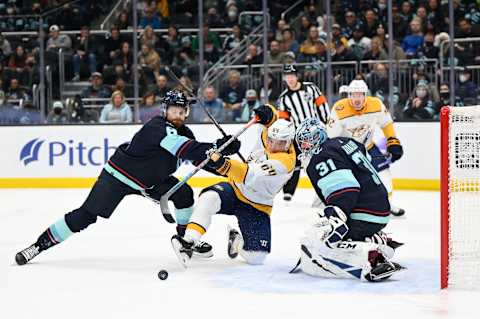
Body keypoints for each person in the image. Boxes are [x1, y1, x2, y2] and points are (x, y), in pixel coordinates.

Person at [15, 90, 241, 266]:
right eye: (175, 110)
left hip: (149, 182)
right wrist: (215, 147)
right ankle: (38, 245)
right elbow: (187, 149)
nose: (179, 115)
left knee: (183, 193)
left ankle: (186, 241)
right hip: (118, 177)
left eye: (183, 112)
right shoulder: (158, 127)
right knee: (85, 217)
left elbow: (200, 159)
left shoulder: (185, 133)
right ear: (165, 110)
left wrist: (227, 160)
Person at [171, 104, 296, 267]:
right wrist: (266, 112)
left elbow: (248, 174)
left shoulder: (284, 162)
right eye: (271, 140)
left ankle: (236, 241)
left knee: (257, 257)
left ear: (288, 143)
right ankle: (189, 241)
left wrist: (223, 163)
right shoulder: (270, 136)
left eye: (279, 143)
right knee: (209, 197)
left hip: (258, 206)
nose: (272, 145)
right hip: (234, 190)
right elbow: (271, 118)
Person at [291, 117, 404, 282]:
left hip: (366, 212)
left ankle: (371, 258)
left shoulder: (321, 156)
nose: (304, 146)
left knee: (320, 235)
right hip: (379, 205)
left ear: (319, 137)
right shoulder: (343, 141)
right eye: (302, 142)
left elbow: (346, 190)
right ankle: (375, 238)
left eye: (308, 141)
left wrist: (338, 218)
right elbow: (364, 157)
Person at [328, 79, 405, 217]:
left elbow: (386, 123)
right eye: (353, 95)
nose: (357, 99)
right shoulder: (339, 109)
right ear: (349, 95)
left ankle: (386, 205)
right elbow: (331, 137)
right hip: (348, 151)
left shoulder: (376, 104)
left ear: (365, 95)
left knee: (384, 175)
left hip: (368, 147)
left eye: (360, 95)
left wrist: (392, 141)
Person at [277, 64, 330, 202]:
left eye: (292, 75)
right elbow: (284, 120)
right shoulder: (284, 98)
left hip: (317, 132)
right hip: (298, 136)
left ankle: (326, 189)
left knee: (322, 160)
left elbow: (322, 105)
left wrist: (327, 123)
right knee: (296, 162)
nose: (290, 79)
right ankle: (288, 191)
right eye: (287, 76)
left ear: (297, 76)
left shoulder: (310, 87)